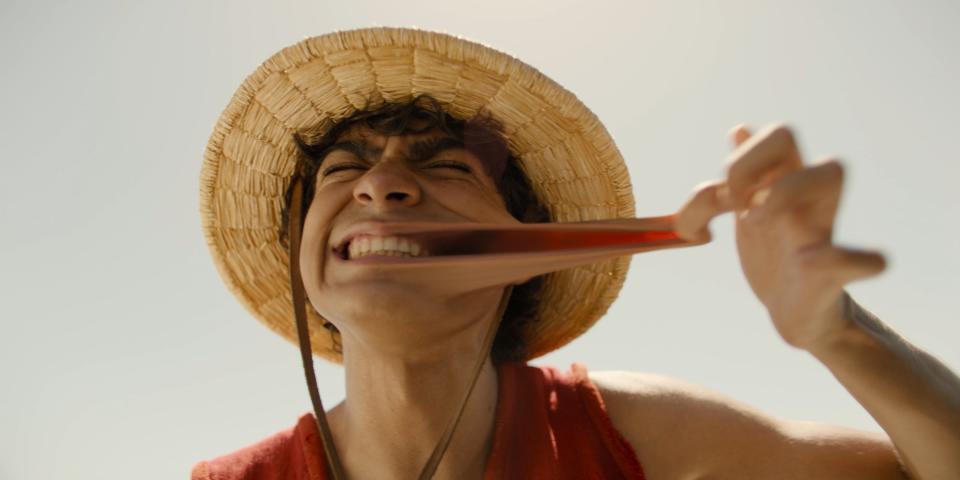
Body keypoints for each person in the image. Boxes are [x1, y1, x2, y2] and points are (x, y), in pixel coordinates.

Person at [192, 28, 960, 479]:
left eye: (446, 167)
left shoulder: (629, 435)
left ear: (530, 248)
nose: (383, 184)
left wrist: (840, 333)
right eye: (343, 168)